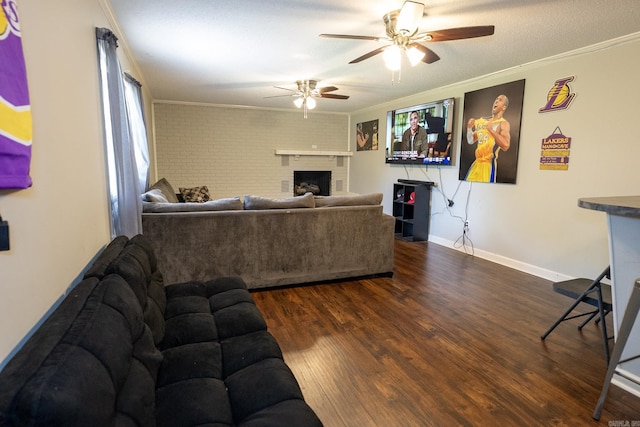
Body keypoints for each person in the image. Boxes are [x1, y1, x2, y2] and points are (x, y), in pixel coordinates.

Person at [465, 94, 511, 182]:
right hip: (476, 163)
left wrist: (491, 131)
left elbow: (506, 145)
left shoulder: (503, 123)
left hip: (488, 165)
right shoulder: (483, 122)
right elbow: (470, 140)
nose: (496, 101)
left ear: (504, 107)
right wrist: (469, 128)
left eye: (500, 100)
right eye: (496, 99)